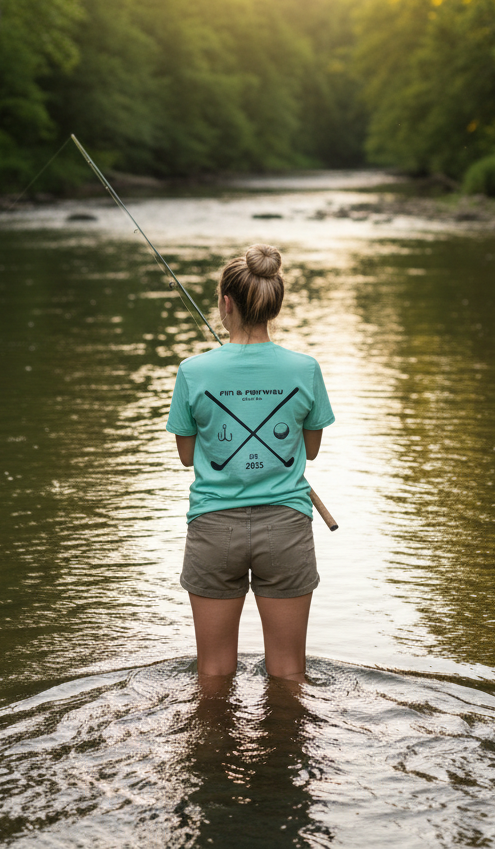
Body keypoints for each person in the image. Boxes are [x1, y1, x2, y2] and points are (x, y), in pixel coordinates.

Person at [167, 243, 335, 680]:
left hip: (213, 528)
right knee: (288, 673)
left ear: (226, 303)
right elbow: (311, 450)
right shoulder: (305, 368)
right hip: (285, 527)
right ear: (273, 303)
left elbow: (187, 457)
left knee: (214, 673)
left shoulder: (192, 371)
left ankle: (211, 749)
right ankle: (286, 747)